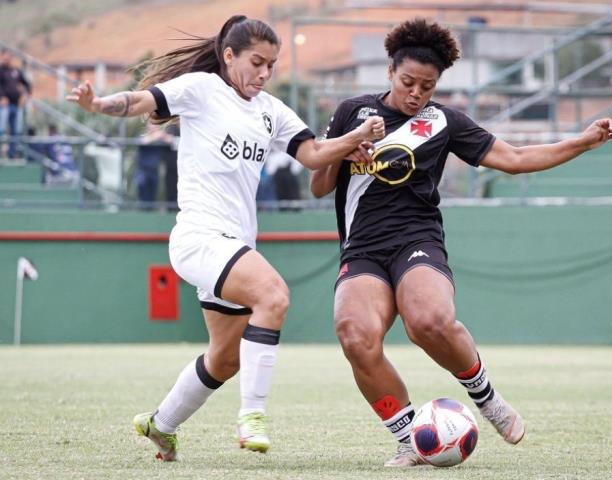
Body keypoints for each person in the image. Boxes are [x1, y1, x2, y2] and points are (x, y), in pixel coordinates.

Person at [310, 17, 612, 467]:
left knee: (429, 321)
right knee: (354, 335)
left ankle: (490, 401)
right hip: (361, 249)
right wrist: (344, 147)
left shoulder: (443, 122)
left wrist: (583, 141)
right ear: (389, 72)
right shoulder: (352, 113)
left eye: (427, 85)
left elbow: (515, 159)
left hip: (416, 240)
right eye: (408, 82)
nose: (416, 93)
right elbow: (319, 185)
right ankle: (409, 440)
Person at [67, 14, 385, 462]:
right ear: (228, 55)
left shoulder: (271, 110)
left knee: (225, 359)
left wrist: (351, 139)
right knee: (273, 296)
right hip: (199, 238)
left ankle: (161, 424)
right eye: (256, 62)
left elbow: (313, 155)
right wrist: (99, 104)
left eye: (271, 65)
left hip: (235, 246)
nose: (264, 73)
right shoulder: (201, 89)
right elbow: (142, 99)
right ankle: (252, 416)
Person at [0, 49, 32, 159]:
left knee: (16, 131)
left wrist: (24, 96)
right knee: (2, 129)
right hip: (3, 106)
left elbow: (27, 85)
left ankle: (12, 154)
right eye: (5, 55)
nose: (7, 58)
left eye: (9, 56)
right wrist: (2, 97)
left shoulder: (16, 71)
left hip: (16, 106)